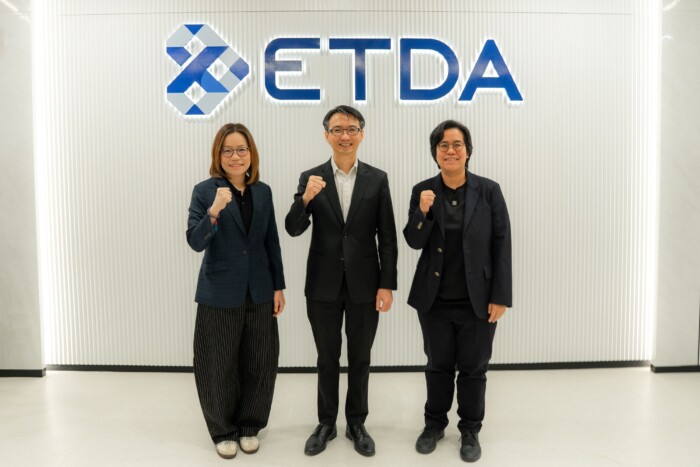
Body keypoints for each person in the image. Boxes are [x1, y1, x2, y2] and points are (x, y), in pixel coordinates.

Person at [285, 105, 398, 457]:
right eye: (337, 129)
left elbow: (387, 236)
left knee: (360, 357)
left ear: (361, 134)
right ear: (326, 136)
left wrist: (387, 284)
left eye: (351, 129)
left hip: (366, 283)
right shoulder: (311, 177)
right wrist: (306, 198)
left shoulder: (377, 179)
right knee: (327, 357)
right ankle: (326, 423)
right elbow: (293, 228)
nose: (344, 136)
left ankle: (357, 423)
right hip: (323, 284)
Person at [403, 120, 512, 463]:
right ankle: (433, 425)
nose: (450, 150)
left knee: (473, 368)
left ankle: (470, 430)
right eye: (443, 145)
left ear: (468, 151)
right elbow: (413, 240)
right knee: (437, 366)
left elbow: (502, 244)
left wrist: (500, 296)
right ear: (435, 153)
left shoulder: (488, 191)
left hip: (477, 301)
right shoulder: (423, 190)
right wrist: (422, 212)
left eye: (457, 144)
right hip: (434, 300)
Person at [186, 123, 286, 459]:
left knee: (260, 360)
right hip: (219, 290)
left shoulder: (263, 192)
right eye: (227, 150)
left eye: (241, 149)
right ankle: (223, 430)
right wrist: (214, 210)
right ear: (218, 155)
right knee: (217, 364)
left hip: (259, 290)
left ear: (251, 154)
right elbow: (195, 241)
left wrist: (278, 286)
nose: (235, 156)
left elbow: (271, 242)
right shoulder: (205, 191)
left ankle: (250, 425)